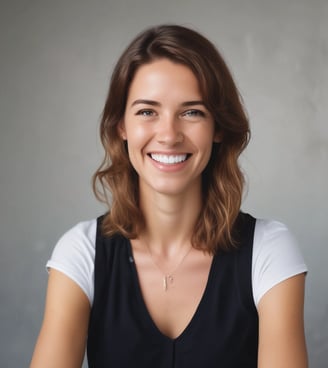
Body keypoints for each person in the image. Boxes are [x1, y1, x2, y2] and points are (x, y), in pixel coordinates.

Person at [30, 24, 308, 368]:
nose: (168, 135)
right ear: (122, 126)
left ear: (218, 127)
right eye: (147, 111)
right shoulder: (81, 253)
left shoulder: (269, 251)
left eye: (191, 112)